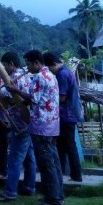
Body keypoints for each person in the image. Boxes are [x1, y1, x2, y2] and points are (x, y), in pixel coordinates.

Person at [6, 50, 63, 205]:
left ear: (37, 63)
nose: (27, 67)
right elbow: (42, 99)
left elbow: (33, 98)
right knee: (53, 162)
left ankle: (53, 199)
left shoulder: (38, 77)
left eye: (29, 64)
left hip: (41, 127)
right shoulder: (51, 75)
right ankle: (58, 195)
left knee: (46, 164)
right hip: (52, 126)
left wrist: (15, 90)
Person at [0, 52, 36, 202]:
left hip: (21, 124)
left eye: (4, 65)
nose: (3, 67)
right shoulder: (22, 77)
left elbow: (10, 100)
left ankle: (10, 192)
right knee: (29, 157)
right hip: (26, 123)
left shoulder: (15, 79)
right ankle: (29, 187)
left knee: (14, 159)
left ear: (11, 64)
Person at [43, 52, 83, 182]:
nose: (50, 72)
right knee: (64, 146)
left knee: (68, 146)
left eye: (49, 68)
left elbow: (61, 97)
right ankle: (66, 175)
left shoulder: (62, 74)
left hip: (66, 115)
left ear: (53, 64)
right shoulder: (66, 71)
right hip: (69, 114)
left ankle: (75, 175)